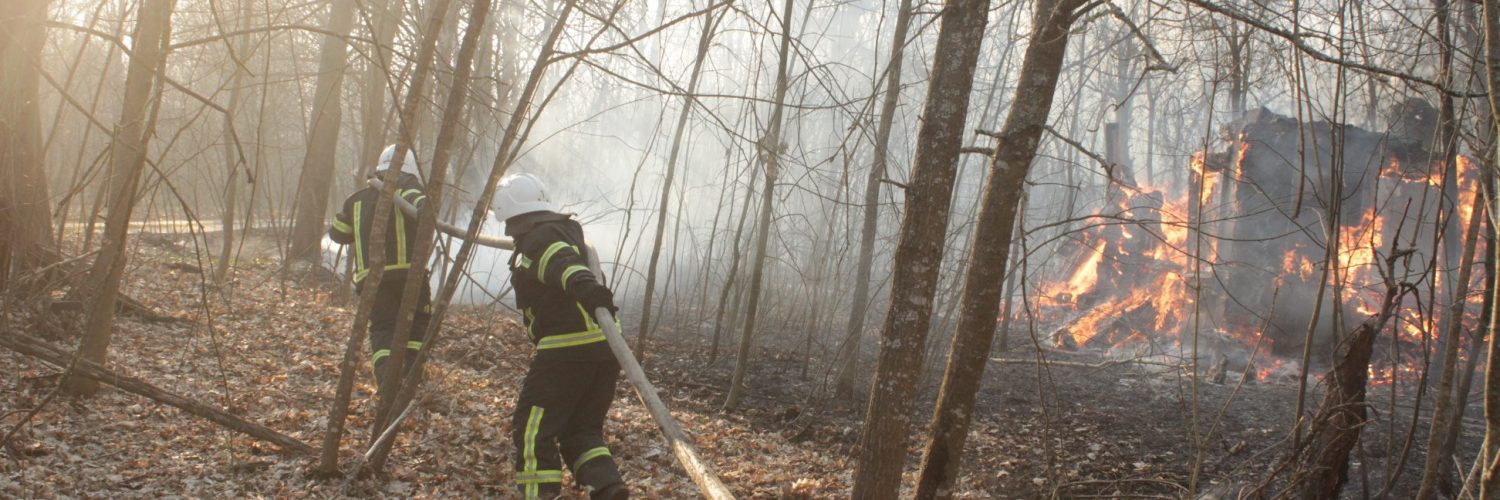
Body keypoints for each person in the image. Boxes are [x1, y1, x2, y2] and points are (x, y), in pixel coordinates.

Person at [494, 173, 628, 500]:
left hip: (565, 354)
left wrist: (593, 292)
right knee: (580, 430)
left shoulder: (540, 240)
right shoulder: (565, 232)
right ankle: (609, 490)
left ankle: (539, 495)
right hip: (604, 351)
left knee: (531, 430)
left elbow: (565, 267)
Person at [326, 144, 433, 396]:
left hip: (372, 280)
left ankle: (386, 381)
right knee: (417, 322)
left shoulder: (357, 200)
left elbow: (337, 233)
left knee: (383, 328)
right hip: (409, 274)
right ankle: (411, 376)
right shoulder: (409, 187)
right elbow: (427, 209)